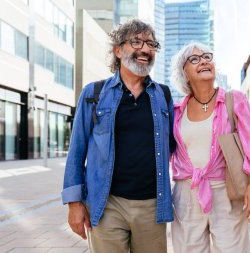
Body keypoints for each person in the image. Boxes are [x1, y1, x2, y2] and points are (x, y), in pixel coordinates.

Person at [61, 19, 175, 253]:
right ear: (118, 50)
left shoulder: (163, 95)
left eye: (151, 44)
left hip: (152, 206)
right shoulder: (94, 93)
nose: (145, 49)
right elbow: (77, 150)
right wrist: (74, 203)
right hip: (106, 205)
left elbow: (173, 145)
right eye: (136, 42)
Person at [169, 42, 250, 253]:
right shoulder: (176, 110)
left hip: (227, 191)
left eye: (207, 56)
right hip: (186, 194)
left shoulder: (234, 100)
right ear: (184, 73)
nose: (204, 61)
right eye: (195, 59)